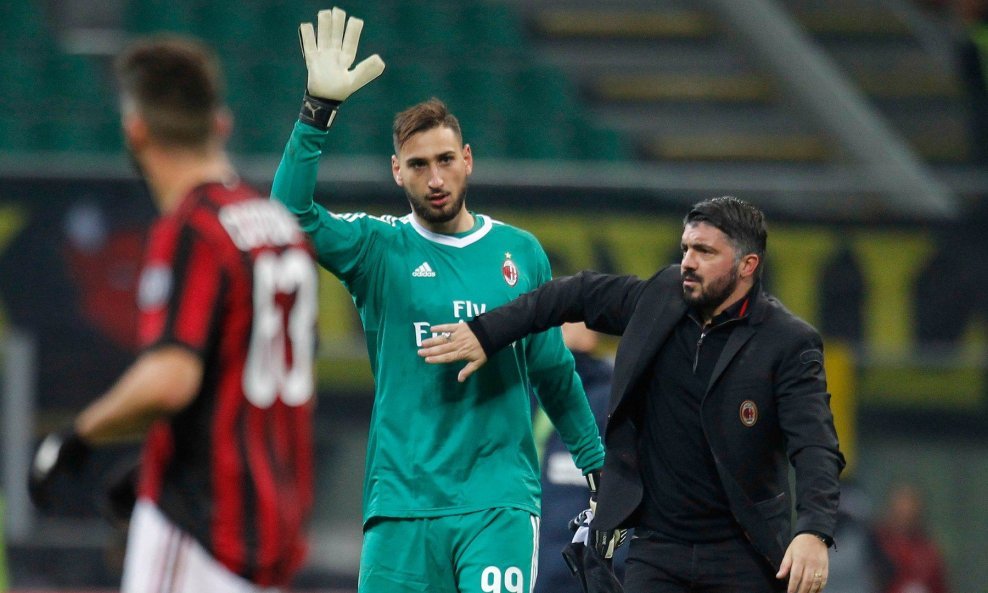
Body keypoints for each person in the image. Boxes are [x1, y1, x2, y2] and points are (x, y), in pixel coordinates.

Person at [270, 7, 605, 593]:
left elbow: (554, 371)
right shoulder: (379, 247)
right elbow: (290, 215)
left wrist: (598, 464)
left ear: (467, 160)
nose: (435, 178)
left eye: (445, 160)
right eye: (419, 165)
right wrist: (316, 113)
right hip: (401, 504)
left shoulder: (520, 253)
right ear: (397, 172)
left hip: (497, 503)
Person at [420, 196, 846, 593]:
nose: (688, 263)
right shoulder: (661, 299)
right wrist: (486, 332)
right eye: (685, 249)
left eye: (705, 252)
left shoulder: (787, 342)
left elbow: (815, 446)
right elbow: (573, 295)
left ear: (748, 264)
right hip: (658, 549)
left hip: (744, 553)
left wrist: (813, 531)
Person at [27, 36, 319, 593]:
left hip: (204, 527)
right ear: (222, 123)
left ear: (136, 130)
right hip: (269, 529)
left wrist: (76, 437)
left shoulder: (193, 228)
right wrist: (153, 465)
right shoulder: (279, 226)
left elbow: (169, 380)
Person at [535, 323, 627, 593]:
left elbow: (621, 490)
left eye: (571, 316)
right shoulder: (524, 392)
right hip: (526, 560)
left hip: (574, 572)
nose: (561, 326)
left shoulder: (609, 397)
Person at [873, 483, 950, 593]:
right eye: (901, 506)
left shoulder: (927, 552)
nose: (905, 512)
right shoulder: (877, 543)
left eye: (910, 507)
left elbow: (939, 586)